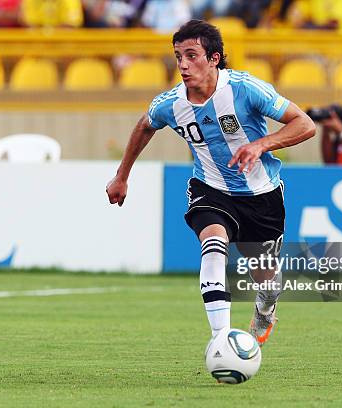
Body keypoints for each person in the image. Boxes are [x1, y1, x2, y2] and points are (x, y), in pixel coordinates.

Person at [106, 19, 315, 346]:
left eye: (192, 55)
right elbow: (145, 125)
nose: (183, 65)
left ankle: (265, 308)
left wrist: (261, 144)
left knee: (267, 281)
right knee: (213, 247)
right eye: (178, 57)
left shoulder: (244, 89)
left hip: (262, 194)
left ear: (214, 58)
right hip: (211, 189)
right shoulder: (171, 104)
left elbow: (304, 124)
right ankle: (221, 340)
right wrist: (122, 176)